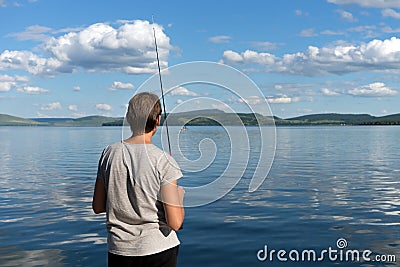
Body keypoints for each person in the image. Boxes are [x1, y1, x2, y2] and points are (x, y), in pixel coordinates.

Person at [92, 92, 185, 267]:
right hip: (159, 250)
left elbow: (98, 207)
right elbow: (175, 223)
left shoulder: (108, 153)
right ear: (157, 120)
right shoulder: (163, 161)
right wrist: (179, 197)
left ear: (128, 118)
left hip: (119, 250)